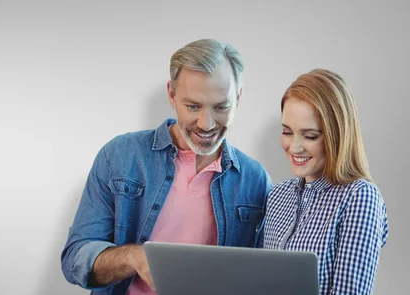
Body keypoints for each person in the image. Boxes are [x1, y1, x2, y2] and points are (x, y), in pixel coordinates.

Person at [61, 38, 272, 295]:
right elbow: (75, 259)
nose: (206, 124)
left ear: (237, 99)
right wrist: (133, 257)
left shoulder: (256, 180)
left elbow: (263, 276)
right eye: (193, 106)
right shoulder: (119, 156)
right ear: (171, 94)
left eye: (221, 107)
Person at [262, 69, 389, 294]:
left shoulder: (359, 197)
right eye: (287, 132)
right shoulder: (277, 196)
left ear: (337, 135)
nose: (294, 147)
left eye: (310, 135)